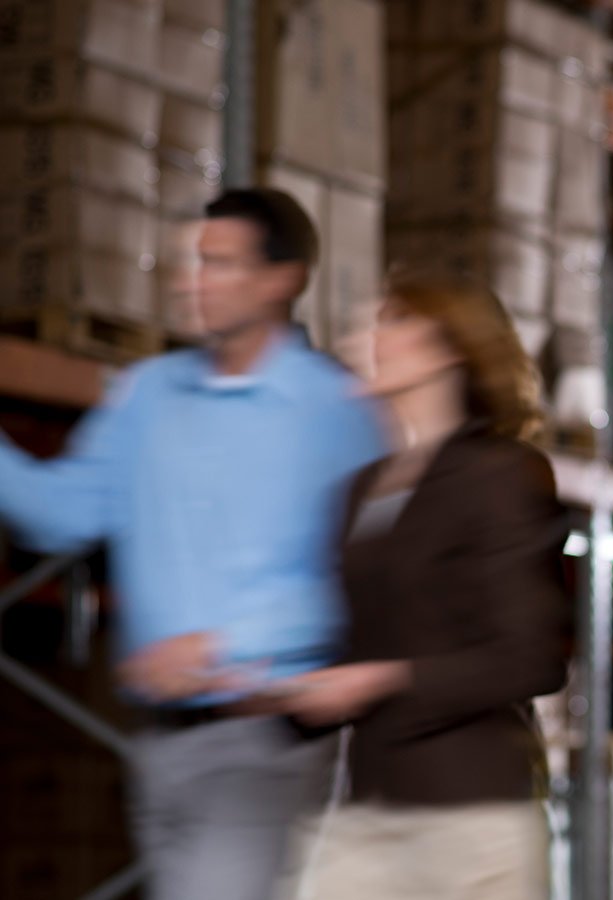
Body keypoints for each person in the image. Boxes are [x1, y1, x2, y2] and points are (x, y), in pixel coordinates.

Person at [0, 189, 386, 900]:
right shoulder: (148, 393)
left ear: (282, 279)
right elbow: (62, 513)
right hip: (158, 744)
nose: (188, 279)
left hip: (264, 745)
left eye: (216, 263)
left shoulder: (334, 409)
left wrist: (221, 646)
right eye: (186, 261)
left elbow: (365, 583)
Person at [270, 272, 573, 899]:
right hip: (371, 804)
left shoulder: (504, 474)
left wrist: (384, 680)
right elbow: (365, 641)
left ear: (450, 346)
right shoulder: (359, 490)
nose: (366, 338)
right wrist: (287, 691)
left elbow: (534, 656)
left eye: (392, 321)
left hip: (473, 813)